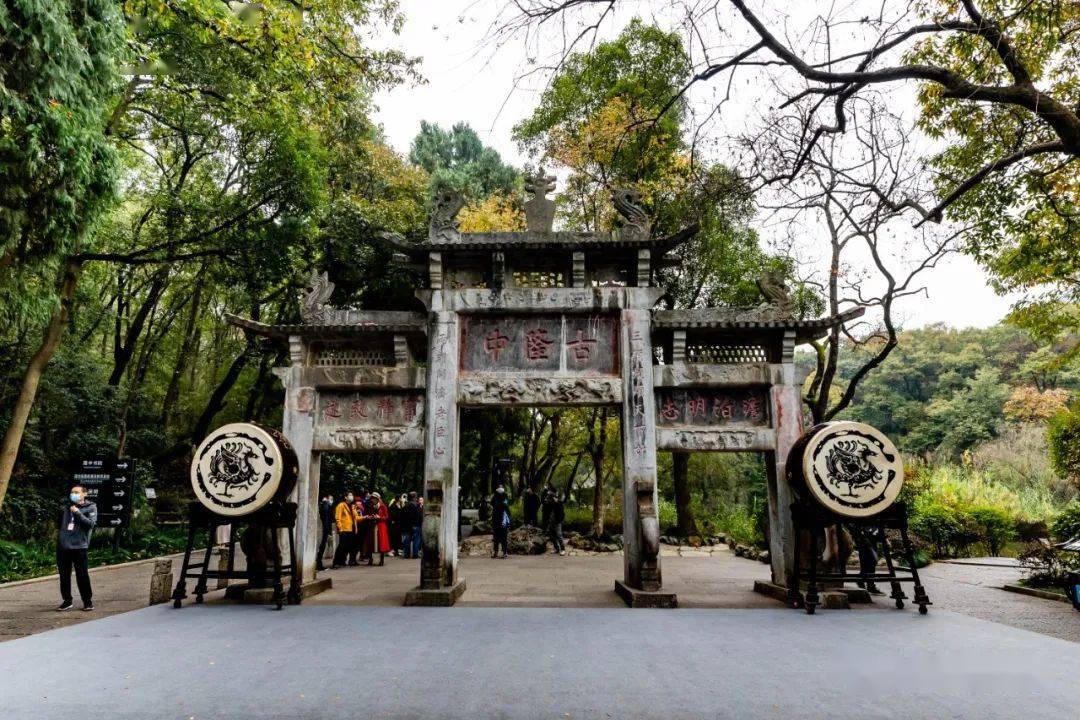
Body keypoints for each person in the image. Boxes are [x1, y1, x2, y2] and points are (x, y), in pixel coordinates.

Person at [57, 485, 97, 611]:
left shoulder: (91, 507)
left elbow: (90, 524)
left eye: (76, 492)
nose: (73, 494)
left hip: (80, 546)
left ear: (85, 494)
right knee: (64, 576)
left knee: (82, 575)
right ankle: (67, 600)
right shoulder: (65, 507)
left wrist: (78, 513)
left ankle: (87, 601)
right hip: (63, 546)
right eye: (72, 492)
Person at [332, 492, 359, 568]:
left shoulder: (353, 506)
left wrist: (365, 517)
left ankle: (342, 561)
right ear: (345, 497)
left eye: (352, 495)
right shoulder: (341, 505)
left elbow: (356, 517)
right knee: (341, 546)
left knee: (347, 546)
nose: (351, 496)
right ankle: (336, 562)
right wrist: (340, 528)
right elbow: (338, 518)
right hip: (344, 529)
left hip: (351, 529)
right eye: (350, 495)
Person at [364, 492, 392, 566]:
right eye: (372, 498)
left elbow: (386, 517)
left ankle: (381, 560)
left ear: (377, 499)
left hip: (381, 526)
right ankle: (370, 559)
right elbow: (366, 514)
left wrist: (380, 517)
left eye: (374, 498)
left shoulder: (383, 506)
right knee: (370, 543)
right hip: (371, 526)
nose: (372, 500)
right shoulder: (370, 506)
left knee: (381, 543)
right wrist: (370, 517)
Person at [490, 485, 510, 559]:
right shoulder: (496, 497)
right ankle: (496, 552)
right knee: (497, 538)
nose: (500, 489)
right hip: (497, 520)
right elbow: (493, 503)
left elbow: (505, 505)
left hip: (502, 520)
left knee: (502, 538)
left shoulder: (504, 496)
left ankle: (504, 553)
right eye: (499, 488)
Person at [543, 491, 566, 556]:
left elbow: (561, 514)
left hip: (557, 522)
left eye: (548, 498)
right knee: (551, 535)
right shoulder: (551, 503)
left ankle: (563, 549)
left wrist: (559, 521)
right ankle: (557, 549)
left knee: (559, 535)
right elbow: (545, 502)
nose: (547, 499)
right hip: (552, 521)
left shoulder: (559, 503)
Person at [317, 494, 334, 571]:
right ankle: (319, 564)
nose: (331, 501)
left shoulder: (324, 505)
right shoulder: (326, 506)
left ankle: (319, 564)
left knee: (321, 547)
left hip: (324, 529)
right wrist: (328, 532)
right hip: (324, 529)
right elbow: (327, 520)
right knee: (322, 547)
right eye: (331, 499)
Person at [406, 491, 423, 559]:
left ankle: (407, 554)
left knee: (407, 540)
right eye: (416, 496)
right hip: (416, 525)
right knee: (416, 540)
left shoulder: (406, 505)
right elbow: (419, 515)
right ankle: (415, 554)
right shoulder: (417, 505)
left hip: (408, 525)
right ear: (414, 497)